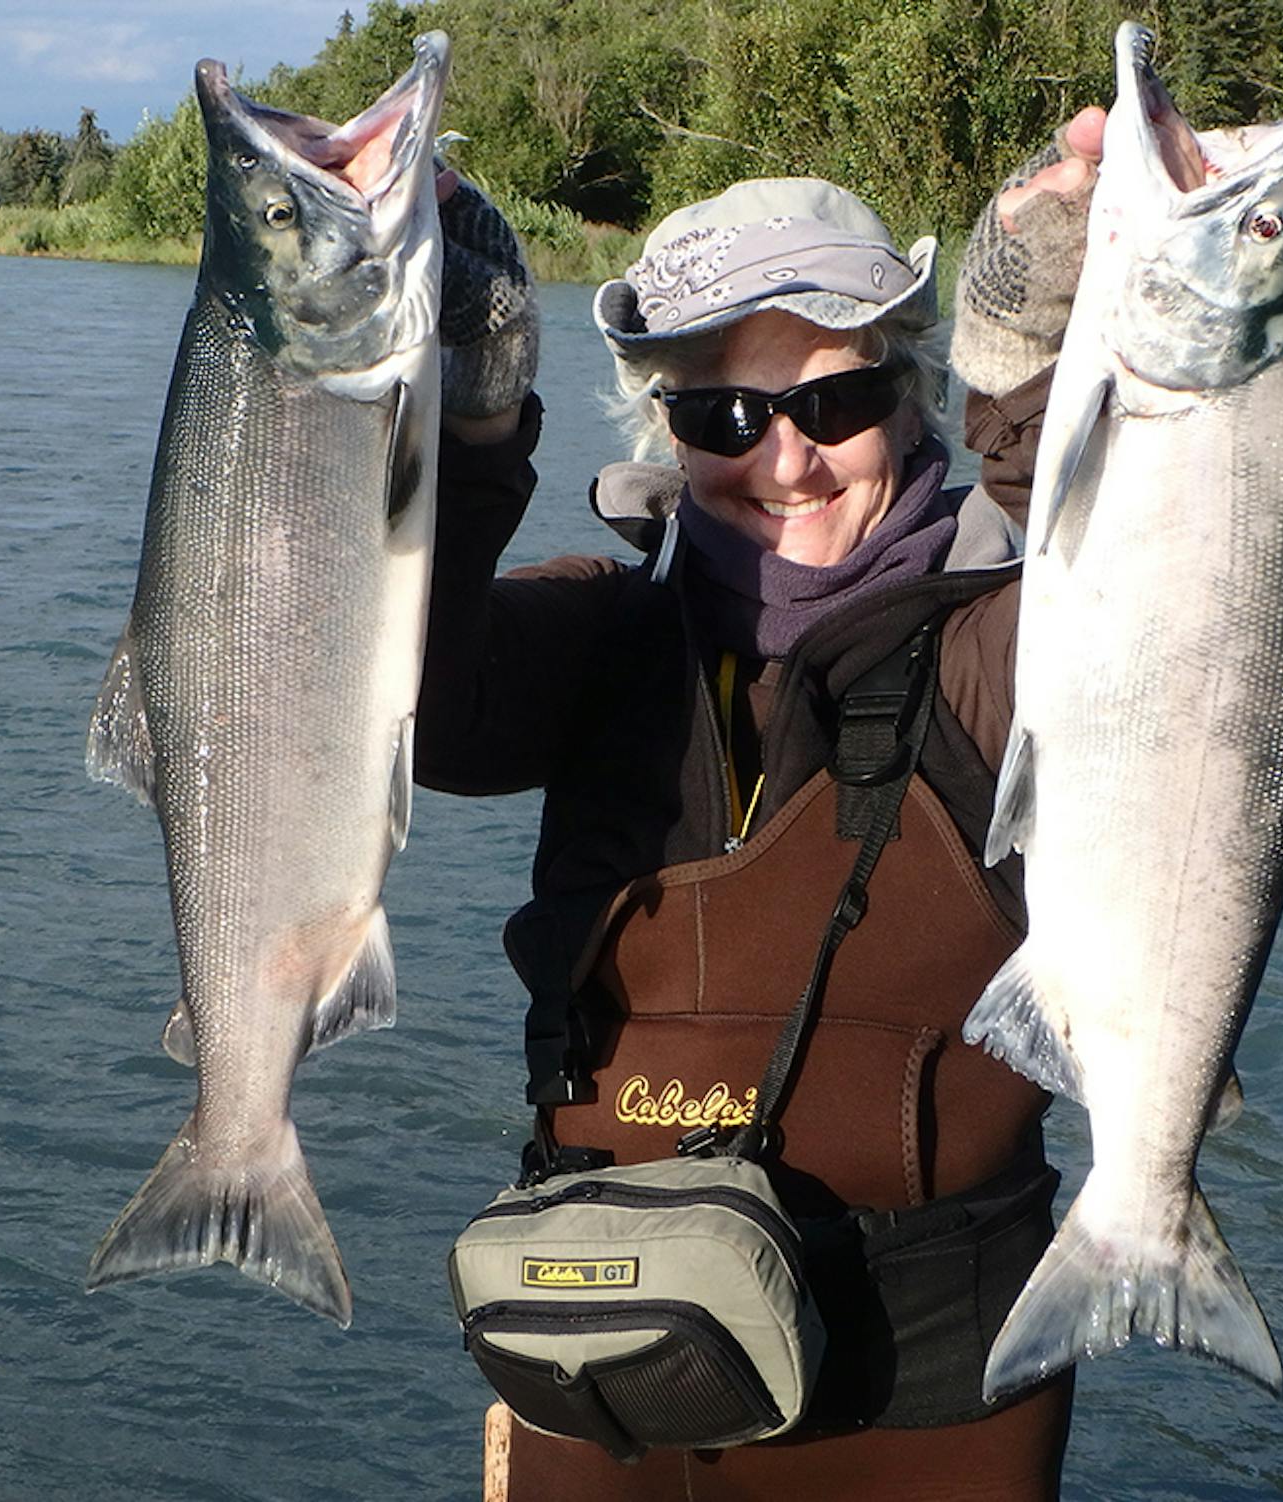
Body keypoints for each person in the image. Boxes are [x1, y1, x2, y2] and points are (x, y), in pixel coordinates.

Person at [419, 111, 1108, 1501]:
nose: (785, 460)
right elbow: (412, 695)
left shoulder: (1007, 651)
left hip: (920, 1414)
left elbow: (1152, 583)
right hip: (592, 1383)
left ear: (913, 398)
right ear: (665, 430)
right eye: (722, 414)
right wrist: (476, 371)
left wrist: (1039, 331)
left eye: (834, 403)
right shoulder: (607, 641)